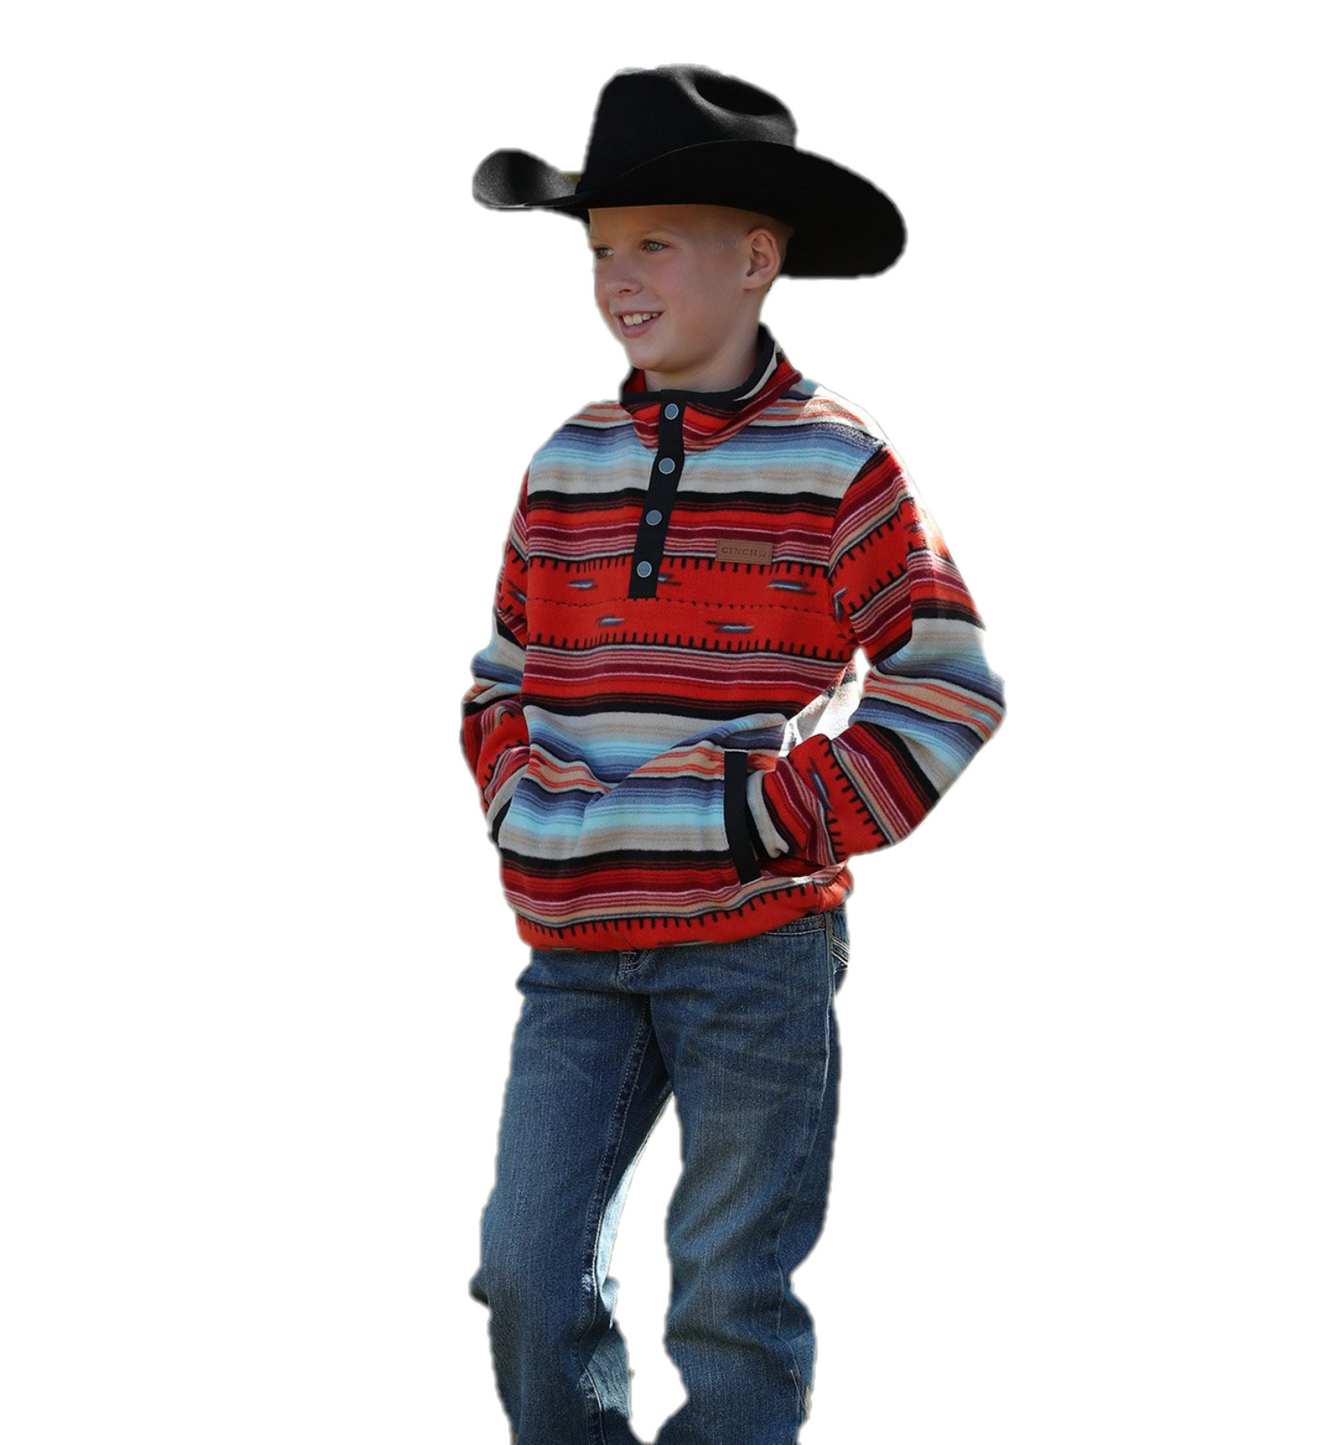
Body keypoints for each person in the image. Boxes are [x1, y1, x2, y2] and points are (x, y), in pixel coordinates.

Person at [460, 64, 1006, 1445]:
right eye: (599, 248)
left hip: (755, 945)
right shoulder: (564, 464)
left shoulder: (840, 465)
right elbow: (502, 675)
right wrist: (523, 806)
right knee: (526, 1267)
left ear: (757, 259)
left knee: (729, 1293)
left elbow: (947, 684)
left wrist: (768, 818)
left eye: (654, 242)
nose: (618, 278)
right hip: (576, 951)